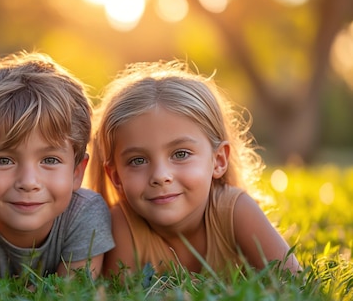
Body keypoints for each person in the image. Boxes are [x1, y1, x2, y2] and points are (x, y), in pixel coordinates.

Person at [87, 60, 301, 278]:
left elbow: (294, 283)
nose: (161, 176)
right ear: (115, 177)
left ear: (218, 161)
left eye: (181, 154)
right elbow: (123, 300)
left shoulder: (236, 211)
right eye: (138, 160)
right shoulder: (122, 225)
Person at [0, 51, 115, 279]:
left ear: (77, 172)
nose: (28, 182)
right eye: (4, 160)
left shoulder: (85, 215)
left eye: (49, 160)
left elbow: (71, 293)